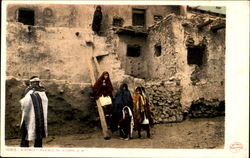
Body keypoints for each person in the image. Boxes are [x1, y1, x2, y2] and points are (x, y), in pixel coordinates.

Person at [20, 76, 48, 147]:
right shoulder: (42, 91)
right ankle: (36, 146)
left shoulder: (30, 90)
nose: (35, 84)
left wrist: (22, 103)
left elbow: (24, 102)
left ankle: (25, 146)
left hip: (30, 114)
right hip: (39, 115)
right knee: (37, 129)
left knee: (27, 127)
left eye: (36, 82)